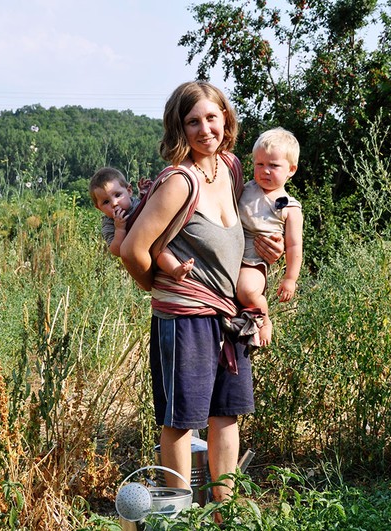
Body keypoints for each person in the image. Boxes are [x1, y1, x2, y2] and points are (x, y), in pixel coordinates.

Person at [120, 81, 283, 505]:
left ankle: (222, 513)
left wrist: (269, 247)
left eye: (212, 117)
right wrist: (161, 287)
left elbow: (247, 230)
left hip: (229, 318)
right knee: (180, 421)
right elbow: (133, 249)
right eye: (192, 121)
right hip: (185, 320)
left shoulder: (229, 167)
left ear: (225, 118)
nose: (204, 128)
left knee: (226, 416)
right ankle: (178, 514)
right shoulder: (179, 181)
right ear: (179, 128)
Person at [237, 127, 304, 346]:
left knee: (247, 290)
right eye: (260, 164)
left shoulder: (290, 208)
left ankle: (264, 319)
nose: (265, 171)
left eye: (274, 166)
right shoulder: (244, 189)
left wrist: (290, 278)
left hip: (254, 260)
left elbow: (294, 246)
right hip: (231, 252)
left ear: (291, 170)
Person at [89, 167, 195, 281]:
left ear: (129, 191)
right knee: (160, 251)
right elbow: (116, 250)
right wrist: (119, 229)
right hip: (146, 250)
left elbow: (150, 208)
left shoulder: (136, 202)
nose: (114, 203)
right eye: (106, 202)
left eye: (118, 195)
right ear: (99, 208)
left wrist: (145, 194)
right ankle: (175, 270)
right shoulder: (109, 224)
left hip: (160, 234)